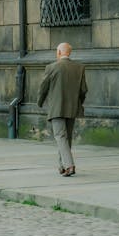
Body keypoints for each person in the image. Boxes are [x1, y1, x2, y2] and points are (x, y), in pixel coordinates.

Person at [37, 42, 87, 177]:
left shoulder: (51, 67)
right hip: (72, 107)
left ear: (59, 52)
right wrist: (78, 103)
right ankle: (63, 166)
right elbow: (83, 90)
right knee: (66, 137)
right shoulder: (79, 68)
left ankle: (69, 165)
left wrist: (40, 102)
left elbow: (43, 88)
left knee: (60, 136)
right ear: (69, 53)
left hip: (56, 108)